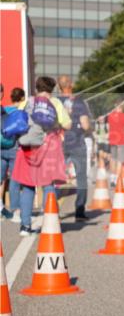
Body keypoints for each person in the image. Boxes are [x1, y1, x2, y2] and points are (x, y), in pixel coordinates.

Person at [12, 76, 71, 236]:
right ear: (52, 89)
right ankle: (49, 222)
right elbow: (67, 124)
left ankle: (25, 226)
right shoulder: (56, 103)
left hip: (28, 148)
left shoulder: (28, 102)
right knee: (48, 185)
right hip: (49, 147)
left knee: (28, 186)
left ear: (37, 88)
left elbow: (18, 121)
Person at [57, 75, 92, 221]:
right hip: (77, 142)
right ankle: (79, 212)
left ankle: (53, 210)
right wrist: (87, 129)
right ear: (71, 85)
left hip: (59, 143)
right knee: (81, 177)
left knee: (56, 177)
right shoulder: (79, 102)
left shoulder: (55, 102)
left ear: (59, 87)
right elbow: (85, 125)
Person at [1, 87, 26, 220]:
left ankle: (1, 209)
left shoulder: (5, 109)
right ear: (22, 97)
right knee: (15, 180)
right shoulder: (20, 111)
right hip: (13, 148)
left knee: (1, 180)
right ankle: (15, 209)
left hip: (1, 148)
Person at [107, 103, 124, 183]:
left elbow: (109, 127)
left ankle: (112, 178)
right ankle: (117, 179)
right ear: (121, 107)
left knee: (113, 159)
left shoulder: (110, 116)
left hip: (112, 140)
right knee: (120, 160)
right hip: (122, 140)